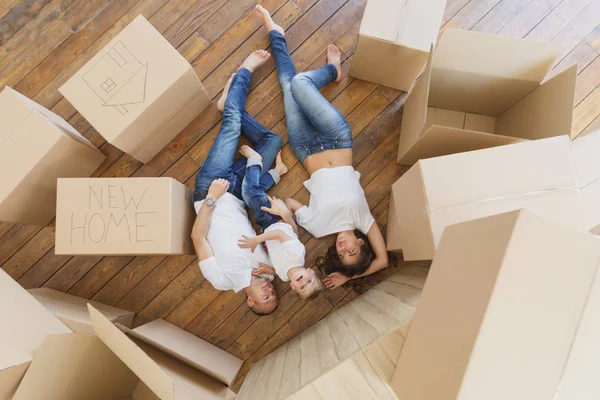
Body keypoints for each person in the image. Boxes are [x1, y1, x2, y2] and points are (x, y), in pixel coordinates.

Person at [253, 5, 388, 290]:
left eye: (341, 254)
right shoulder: (363, 219)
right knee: (301, 83)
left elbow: (289, 203)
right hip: (337, 139)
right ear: (361, 242)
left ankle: (275, 32)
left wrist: (287, 216)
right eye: (352, 250)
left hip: (304, 148)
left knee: (288, 84)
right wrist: (353, 275)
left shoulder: (316, 229)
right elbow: (383, 261)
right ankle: (332, 71)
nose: (344, 248)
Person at [191, 50, 288, 315]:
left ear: (250, 302)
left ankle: (245, 70)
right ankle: (228, 105)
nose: (270, 292)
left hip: (211, 189)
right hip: (238, 193)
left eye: (266, 300)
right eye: (274, 295)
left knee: (231, 125)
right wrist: (274, 175)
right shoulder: (269, 270)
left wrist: (212, 197)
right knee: (273, 142)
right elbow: (275, 226)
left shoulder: (222, 280)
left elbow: (198, 237)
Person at [236, 145, 323, 300]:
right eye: (309, 281)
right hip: (274, 221)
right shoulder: (296, 256)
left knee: (255, 194)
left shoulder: (283, 277)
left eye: (302, 287)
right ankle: (255, 160)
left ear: (292, 287)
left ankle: (278, 171)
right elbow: (279, 234)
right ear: (310, 271)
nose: (304, 282)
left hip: (266, 225)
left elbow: (280, 271)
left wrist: (270, 271)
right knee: (249, 193)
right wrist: (256, 240)